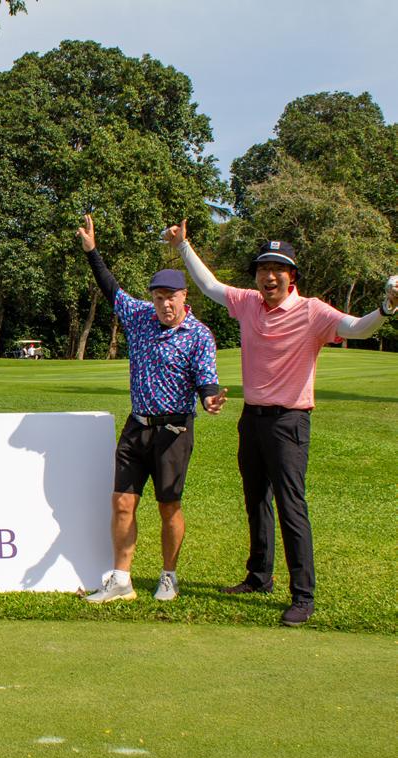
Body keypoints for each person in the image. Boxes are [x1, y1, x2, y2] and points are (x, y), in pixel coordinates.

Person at [165, 221, 398, 626]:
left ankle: (303, 595)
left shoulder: (313, 311)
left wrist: (387, 308)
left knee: (291, 506)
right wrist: (183, 245)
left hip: (289, 422)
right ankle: (259, 577)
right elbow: (209, 286)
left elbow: (356, 328)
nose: (268, 276)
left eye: (277, 269)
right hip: (252, 419)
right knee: (256, 500)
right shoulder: (248, 302)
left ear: (292, 276)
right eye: (262, 269)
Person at [76, 214, 227, 603]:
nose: (164, 304)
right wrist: (92, 251)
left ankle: (168, 576)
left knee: (168, 505)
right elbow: (111, 289)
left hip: (174, 430)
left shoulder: (199, 335)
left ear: (184, 298)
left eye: (170, 297)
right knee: (122, 502)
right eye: (158, 297)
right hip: (137, 426)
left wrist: (210, 399)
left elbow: (207, 381)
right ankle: (121, 580)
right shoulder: (141, 316)